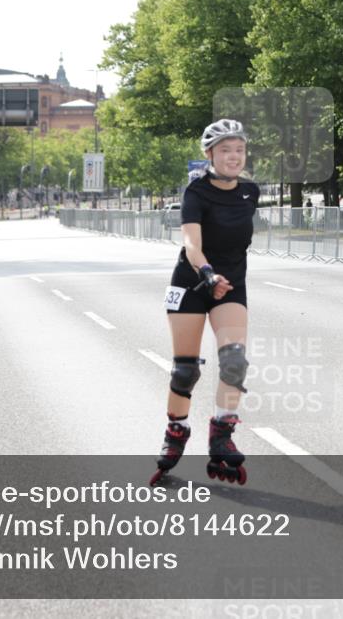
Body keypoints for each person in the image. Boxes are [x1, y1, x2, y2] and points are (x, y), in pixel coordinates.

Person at [150, 119, 259, 486]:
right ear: (210, 154)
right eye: (226, 150)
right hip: (194, 282)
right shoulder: (195, 192)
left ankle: (222, 433)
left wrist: (223, 279)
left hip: (232, 286)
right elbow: (191, 245)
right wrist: (208, 274)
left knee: (234, 361)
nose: (234, 156)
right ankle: (176, 431)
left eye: (239, 150)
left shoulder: (250, 192)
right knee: (185, 370)